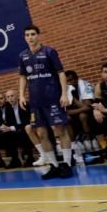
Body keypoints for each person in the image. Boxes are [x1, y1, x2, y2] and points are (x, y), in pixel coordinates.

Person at [18, 24, 73, 179]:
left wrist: (63, 94)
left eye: (33, 34)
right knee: (41, 133)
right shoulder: (23, 56)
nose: (30, 37)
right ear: (25, 37)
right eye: (27, 35)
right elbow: (23, 77)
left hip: (53, 98)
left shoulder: (49, 51)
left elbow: (61, 73)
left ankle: (67, 164)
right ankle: (54, 166)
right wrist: (22, 95)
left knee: (60, 130)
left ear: (38, 35)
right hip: (36, 102)